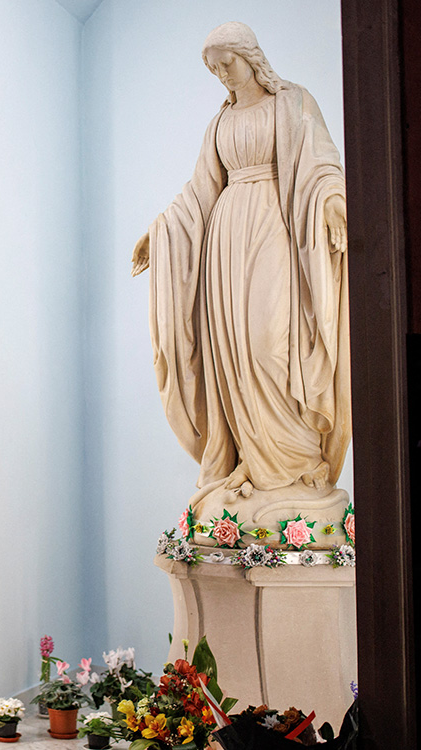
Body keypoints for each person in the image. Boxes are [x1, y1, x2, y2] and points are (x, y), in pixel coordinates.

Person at [131, 22, 350, 497]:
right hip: (225, 241)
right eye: (213, 69)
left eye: (226, 63)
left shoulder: (291, 103)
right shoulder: (220, 123)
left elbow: (321, 164)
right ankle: (250, 458)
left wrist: (333, 200)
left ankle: (292, 464)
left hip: (276, 226)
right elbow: (201, 191)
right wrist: (160, 231)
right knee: (231, 350)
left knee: (268, 343)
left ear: (249, 55)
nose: (222, 75)